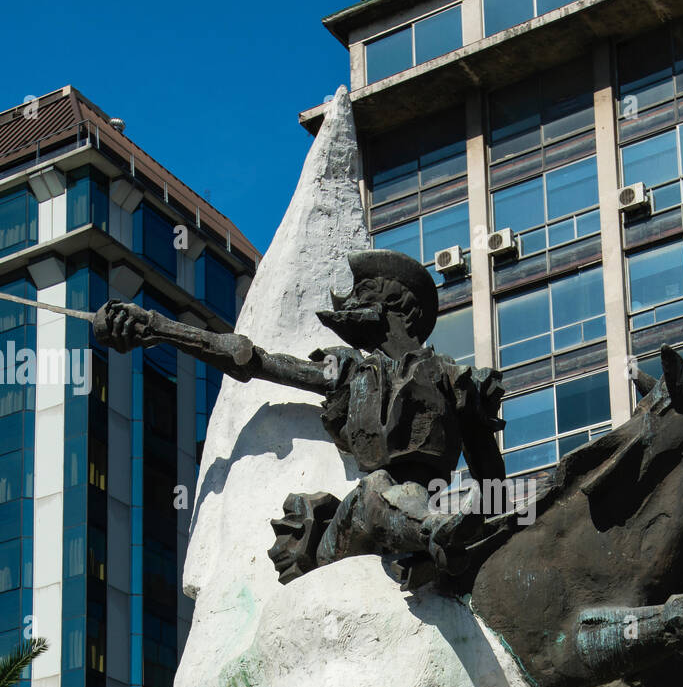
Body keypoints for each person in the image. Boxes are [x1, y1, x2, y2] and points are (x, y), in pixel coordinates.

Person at [92, 249, 506, 584]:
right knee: (375, 490)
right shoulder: (348, 371)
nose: (350, 305)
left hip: (423, 510)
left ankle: (440, 540)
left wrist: (491, 527)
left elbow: (491, 476)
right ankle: (436, 535)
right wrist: (158, 327)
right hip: (352, 530)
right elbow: (257, 361)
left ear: (397, 307)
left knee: (402, 498)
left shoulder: (456, 380)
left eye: (364, 295)